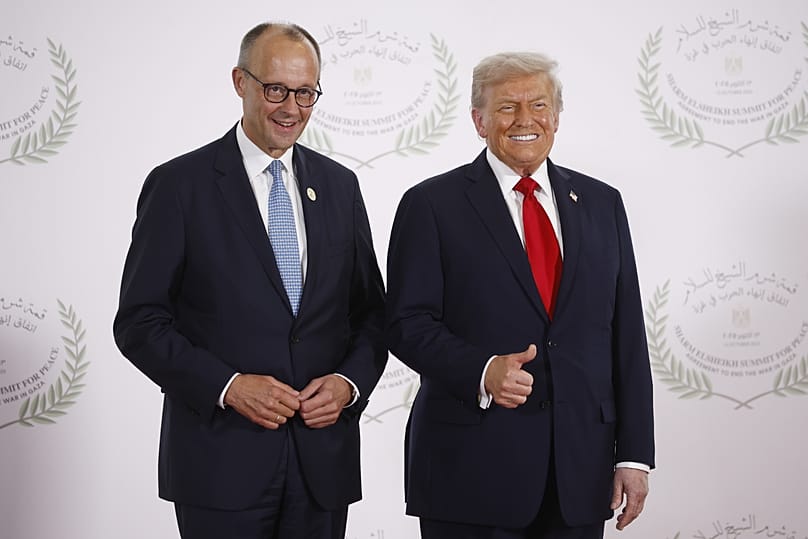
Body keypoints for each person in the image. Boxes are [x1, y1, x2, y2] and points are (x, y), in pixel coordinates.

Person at [113, 22, 386, 539]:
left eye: (305, 92)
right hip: (219, 466)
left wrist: (348, 385)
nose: (291, 108)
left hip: (321, 467)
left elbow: (372, 313)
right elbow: (139, 323)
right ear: (240, 82)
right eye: (275, 89)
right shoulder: (178, 186)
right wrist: (228, 387)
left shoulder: (339, 186)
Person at [385, 51, 655, 539]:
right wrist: (482, 369)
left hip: (580, 475)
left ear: (556, 116)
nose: (525, 120)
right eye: (507, 107)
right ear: (479, 121)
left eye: (539, 105)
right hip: (470, 474)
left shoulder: (602, 203)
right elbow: (406, 323)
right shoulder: (430, 205)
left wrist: (634, 455)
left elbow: (627, 337)